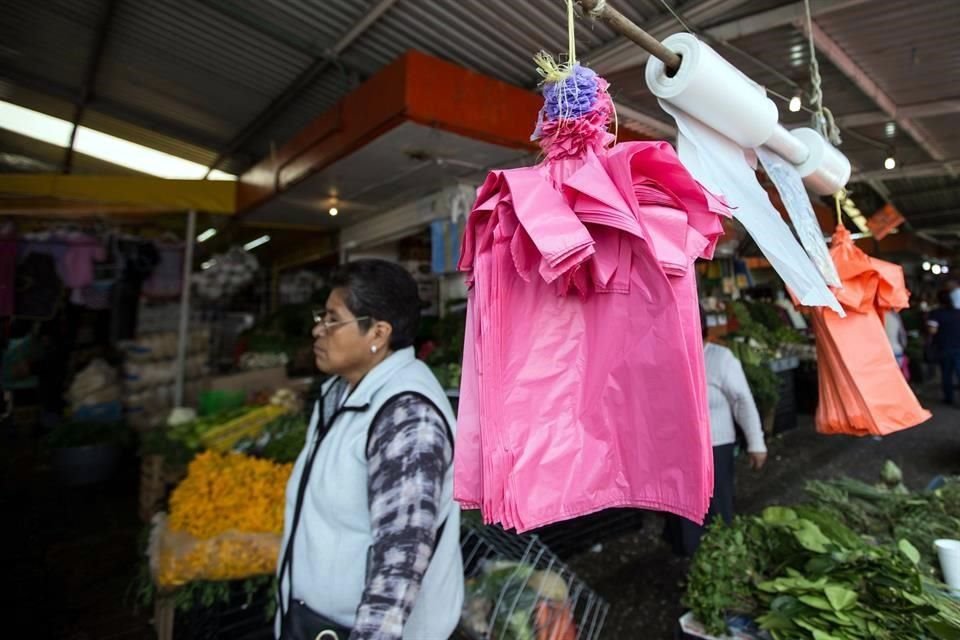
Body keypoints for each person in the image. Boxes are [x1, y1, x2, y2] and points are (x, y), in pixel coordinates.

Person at [276, 259, 463, 640]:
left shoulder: (408, 419)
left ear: (378, 332)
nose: (318, 330)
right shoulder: (341, 392)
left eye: (332, 319)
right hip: (317, 624)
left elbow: (400, 563)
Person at [664, 312, 768, 557]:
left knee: (717, 509)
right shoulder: (667, 358)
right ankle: (691, 559)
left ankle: (721, 557)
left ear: (701, 327)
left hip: (715, 449)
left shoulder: (720, 359)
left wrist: (756, 443)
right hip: (677, 451)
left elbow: (743, 402)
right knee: (682, 511)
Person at [927, 288, 960, 404]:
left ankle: (949, 398)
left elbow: (932, 330)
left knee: (947, 374)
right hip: (958, 346)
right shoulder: (958, 312)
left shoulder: (936, 313)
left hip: (944, 346)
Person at [884, 309, 909, 380]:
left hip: (882, 353)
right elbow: (902, 336)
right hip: (896, 350)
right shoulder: (894, 315)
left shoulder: (874, 316)